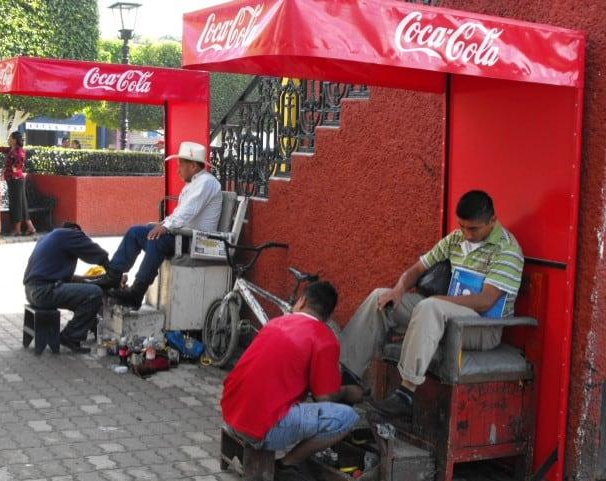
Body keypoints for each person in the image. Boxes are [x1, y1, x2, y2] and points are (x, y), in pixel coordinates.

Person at [340, 190, 524, 418]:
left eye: (473, 229)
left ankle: (405, 394)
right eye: (462, 226)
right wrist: (398, 290)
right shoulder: (456, 239)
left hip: (481, 327)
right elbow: (418, 268)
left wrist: (439, 300)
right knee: (381, 297)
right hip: (443, 314)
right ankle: (345, 374)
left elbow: (486, 300)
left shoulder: (507, 251)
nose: (466, 234)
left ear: (492, 221)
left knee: (430, 307)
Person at [221, 281, 359, 474]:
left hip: (231, 412)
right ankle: (286, 465)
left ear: (302, 301)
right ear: (328, 316)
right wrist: (347, 391)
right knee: (347, 417)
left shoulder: (275, 323)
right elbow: (325, 398)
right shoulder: (324, 337)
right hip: (259, 428)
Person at [91, 141, 222, 309]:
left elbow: (188, 211)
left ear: (194, 166)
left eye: (181, 165)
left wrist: (166, 226)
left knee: (157, 239)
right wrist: (164, 224)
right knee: (135, 232)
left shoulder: (206, 182)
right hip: (183, 235)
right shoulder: (195, 183)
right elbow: (180, 214)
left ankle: (136, 293)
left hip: (199, 242)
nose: (178, 169)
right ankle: (113, 276)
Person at [24, 222, 109, 353]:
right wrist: (114, 272)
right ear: (75, 231)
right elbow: (99, 254)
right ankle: (70, 336)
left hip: (31, 291)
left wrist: (100, 278)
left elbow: (72, 280)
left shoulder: (49, 238)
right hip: (44, 291)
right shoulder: (69, 234)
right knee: (95, 293)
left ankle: (92, 327)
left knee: (85, 294)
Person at [1, 131, 36, 236]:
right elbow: (4, 150)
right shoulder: (12, 149)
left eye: (10, 138)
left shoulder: (18, 151)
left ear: (14, 139)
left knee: (16, 204)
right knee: (21, 205)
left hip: (16, 180)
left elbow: (19, 164)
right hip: (14, 180)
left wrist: (13, 169)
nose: (8, 140)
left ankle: (17, 230)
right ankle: (31, 228)